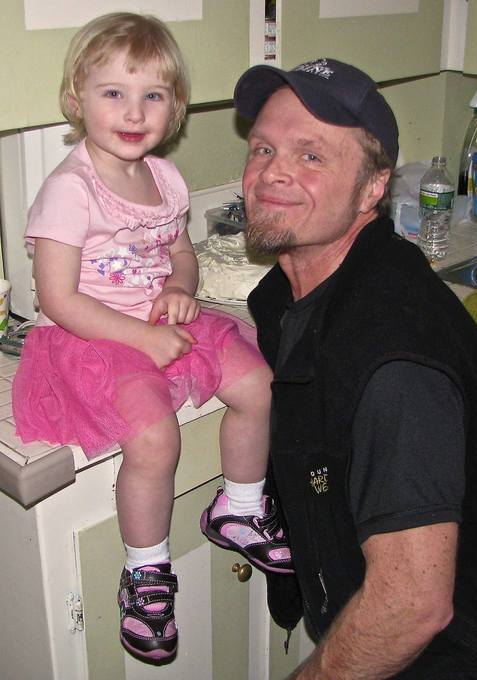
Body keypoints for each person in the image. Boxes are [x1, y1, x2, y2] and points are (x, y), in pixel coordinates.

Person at [233, 57, 477, 679]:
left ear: (373, 188)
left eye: (311, 156)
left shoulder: (393, 356)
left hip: (476, 653)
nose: (273, 172)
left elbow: (411, 606)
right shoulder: (291, 292)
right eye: (264, 148)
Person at [12, 12, 292, 666]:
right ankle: (145, 573)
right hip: (94, 337)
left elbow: (180, 252)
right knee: (154, 437)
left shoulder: (165, 178)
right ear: (76, 98)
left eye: (153, 95)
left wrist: (180, 289)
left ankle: (239, 508)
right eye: (114, 92)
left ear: (176, 106)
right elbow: (57, 299)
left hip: (158, 322)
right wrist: (141, 337)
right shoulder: (69, 190)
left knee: (261, 383)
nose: (134, 112)